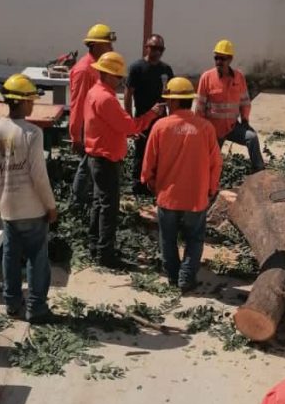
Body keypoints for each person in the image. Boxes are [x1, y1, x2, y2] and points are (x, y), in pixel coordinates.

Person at [0, 75, 58, 323]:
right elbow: (39, 175)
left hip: (7, 207)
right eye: (32, 100)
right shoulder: (33, 133)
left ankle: (12, 304)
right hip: (32, 208)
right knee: (37, 258)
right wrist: (50, 206)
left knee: (10, 256)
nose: (33, 104)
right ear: (23, 102)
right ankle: (36, 307)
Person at [83, 51, 163, 268]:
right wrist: (151, 114)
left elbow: (110, 125)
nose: (120, 81)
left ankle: (95, 246)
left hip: (97, 156)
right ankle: (105, 254)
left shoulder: (95, 92)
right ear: (108, 74)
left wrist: (125, 132)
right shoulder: (106, 98)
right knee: (108, 208)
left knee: (99, 204)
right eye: (118, 76)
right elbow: (129, 125)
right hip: (105, 159)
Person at [141, 77, 221, 292]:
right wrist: (211, 188)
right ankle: (186, 277)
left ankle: (173, 275)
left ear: (174, 101)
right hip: (196, 197)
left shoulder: (160, 126)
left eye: (168, 100)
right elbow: (216, 162)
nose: (167, 104)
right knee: (195, 238)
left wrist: (148, 180)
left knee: (167, 238)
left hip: (168, 196)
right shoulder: (205, 127)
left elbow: (149, 160)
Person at [194, 39, 264, 173]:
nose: (218, 62)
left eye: (222, 58)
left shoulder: (239, 77)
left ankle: (259, 170)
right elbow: (200, 107)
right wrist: (200, 130)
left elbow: (245, 102)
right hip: (213, 130)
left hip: (232, 127)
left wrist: (245, 120)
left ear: (230, 59)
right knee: (211, 165)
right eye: (216, 58)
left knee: (252, 138)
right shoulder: (206, 78)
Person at [68, 24, 117, 210]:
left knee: (89, 165)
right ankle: (77, 203)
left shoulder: (97, 67)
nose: (111, 48)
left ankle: (82, 201)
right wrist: (75, 135)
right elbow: (77, 103)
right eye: (108, 45)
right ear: (95, 45)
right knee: (86, 165)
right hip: (86, 128)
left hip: (95, 126)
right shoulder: (84, 70)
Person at [125, 34, 174, 197]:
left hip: (161, 120)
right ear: (146, 47)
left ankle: (155, 184)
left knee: (159, 153)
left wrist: (173, 117)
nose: (157, 52)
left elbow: (171, 95)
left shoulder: (166, 70)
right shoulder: (137, 68)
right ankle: (138, 186)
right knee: (141, 152)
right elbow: (128, 94)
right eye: (154, 48)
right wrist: (129, 120)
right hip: (142, 118)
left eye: (160, 49)